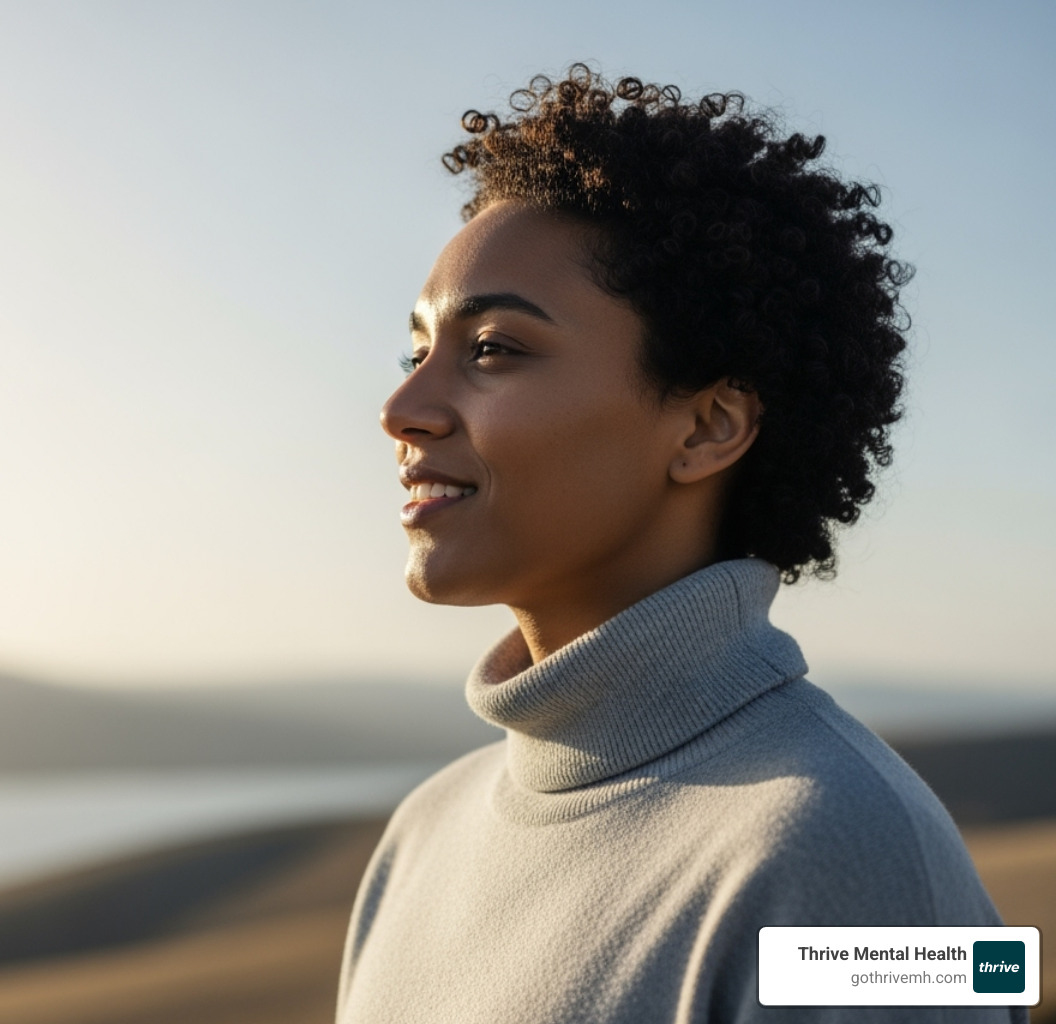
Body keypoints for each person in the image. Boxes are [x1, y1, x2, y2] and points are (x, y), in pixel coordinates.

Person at [336, 66, 1021, 1024]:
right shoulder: (421, 836)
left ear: (707, 427)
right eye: (418, 353)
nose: (400, 409)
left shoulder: (851, 851)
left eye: (493, 348)